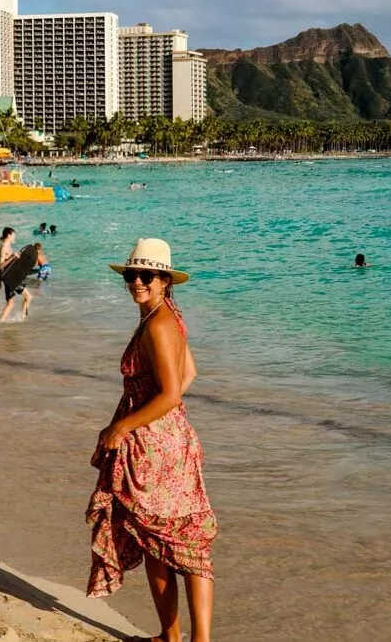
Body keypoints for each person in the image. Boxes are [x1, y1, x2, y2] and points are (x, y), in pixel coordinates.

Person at [87, 238, 216, 642]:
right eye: (132, 274)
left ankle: (182, 639)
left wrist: (124, 426)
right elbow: (189, 374)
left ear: (164, 281)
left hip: (154, 447)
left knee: (176, 544)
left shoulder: (158, 324)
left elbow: (172, 392)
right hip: (173, 441)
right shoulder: (167, 317)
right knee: (167, 541)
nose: (137, 282)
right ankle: (175, 637)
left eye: (147, 275)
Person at [0, 226, 32, 321]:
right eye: (13, 235)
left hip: (10, 277)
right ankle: (22, 319)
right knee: (28, 297)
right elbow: (0, 266)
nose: (14, 237)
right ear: (9, 235)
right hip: (12, 279)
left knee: (10, 304)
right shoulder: (4, 247)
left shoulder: (8, 246)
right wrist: (12, 257)